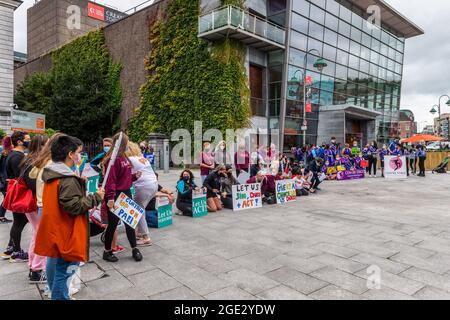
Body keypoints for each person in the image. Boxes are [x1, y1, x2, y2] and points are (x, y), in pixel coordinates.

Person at [34, 135, 105, 300]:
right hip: (68, 234)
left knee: (61, 270)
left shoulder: (54, 173)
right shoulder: (67, 179)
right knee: (65, 272)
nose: (80, 156)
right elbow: (74, 206)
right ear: (70, 154)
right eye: (78, 152)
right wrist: (96, 197)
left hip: (58, 229)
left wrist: (80, 183)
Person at [102, 133, 143, 263]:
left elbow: (124, 178)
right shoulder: (113, 160)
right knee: (112, 225)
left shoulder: (124, 158)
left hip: (125, 193)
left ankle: (134, 248)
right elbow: (111, 180)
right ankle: (107, 251)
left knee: (130, 223)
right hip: (115, 195)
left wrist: (134, 177)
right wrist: (110, 198)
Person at [20, 135, 48, 282]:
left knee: (36, 234)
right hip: (35, 204)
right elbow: (33, 185)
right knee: (40, 236)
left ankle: (33, 266)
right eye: (47, 144)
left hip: (31, 204)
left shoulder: (28, 159)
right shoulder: (35, 162)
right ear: (41, 146)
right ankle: (37, 270)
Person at [1, 131, 31, 262]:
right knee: (20, 221)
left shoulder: (14, 154)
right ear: (19, 142)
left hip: (15, 191)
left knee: (19, 221)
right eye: (27, 139)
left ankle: (11, 248)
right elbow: (22, 176)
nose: (29, 141)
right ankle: (16, 251)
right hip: (19, 192)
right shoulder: (17, 157)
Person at [126, 142, 158, 247]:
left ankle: (146, 237)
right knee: (141, 209)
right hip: (153, 184)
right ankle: (140, 232)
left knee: (137, 211)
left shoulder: (130, 160)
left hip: (143, 186)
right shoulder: (141, 158)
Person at [0, 136, 13, 223]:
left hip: (3, 180)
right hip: (5, 181)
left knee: (6, 199)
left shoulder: (4, 152)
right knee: (6, 199)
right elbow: (4, 169)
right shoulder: (7, 153)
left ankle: (1, 216)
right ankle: (1, 216)